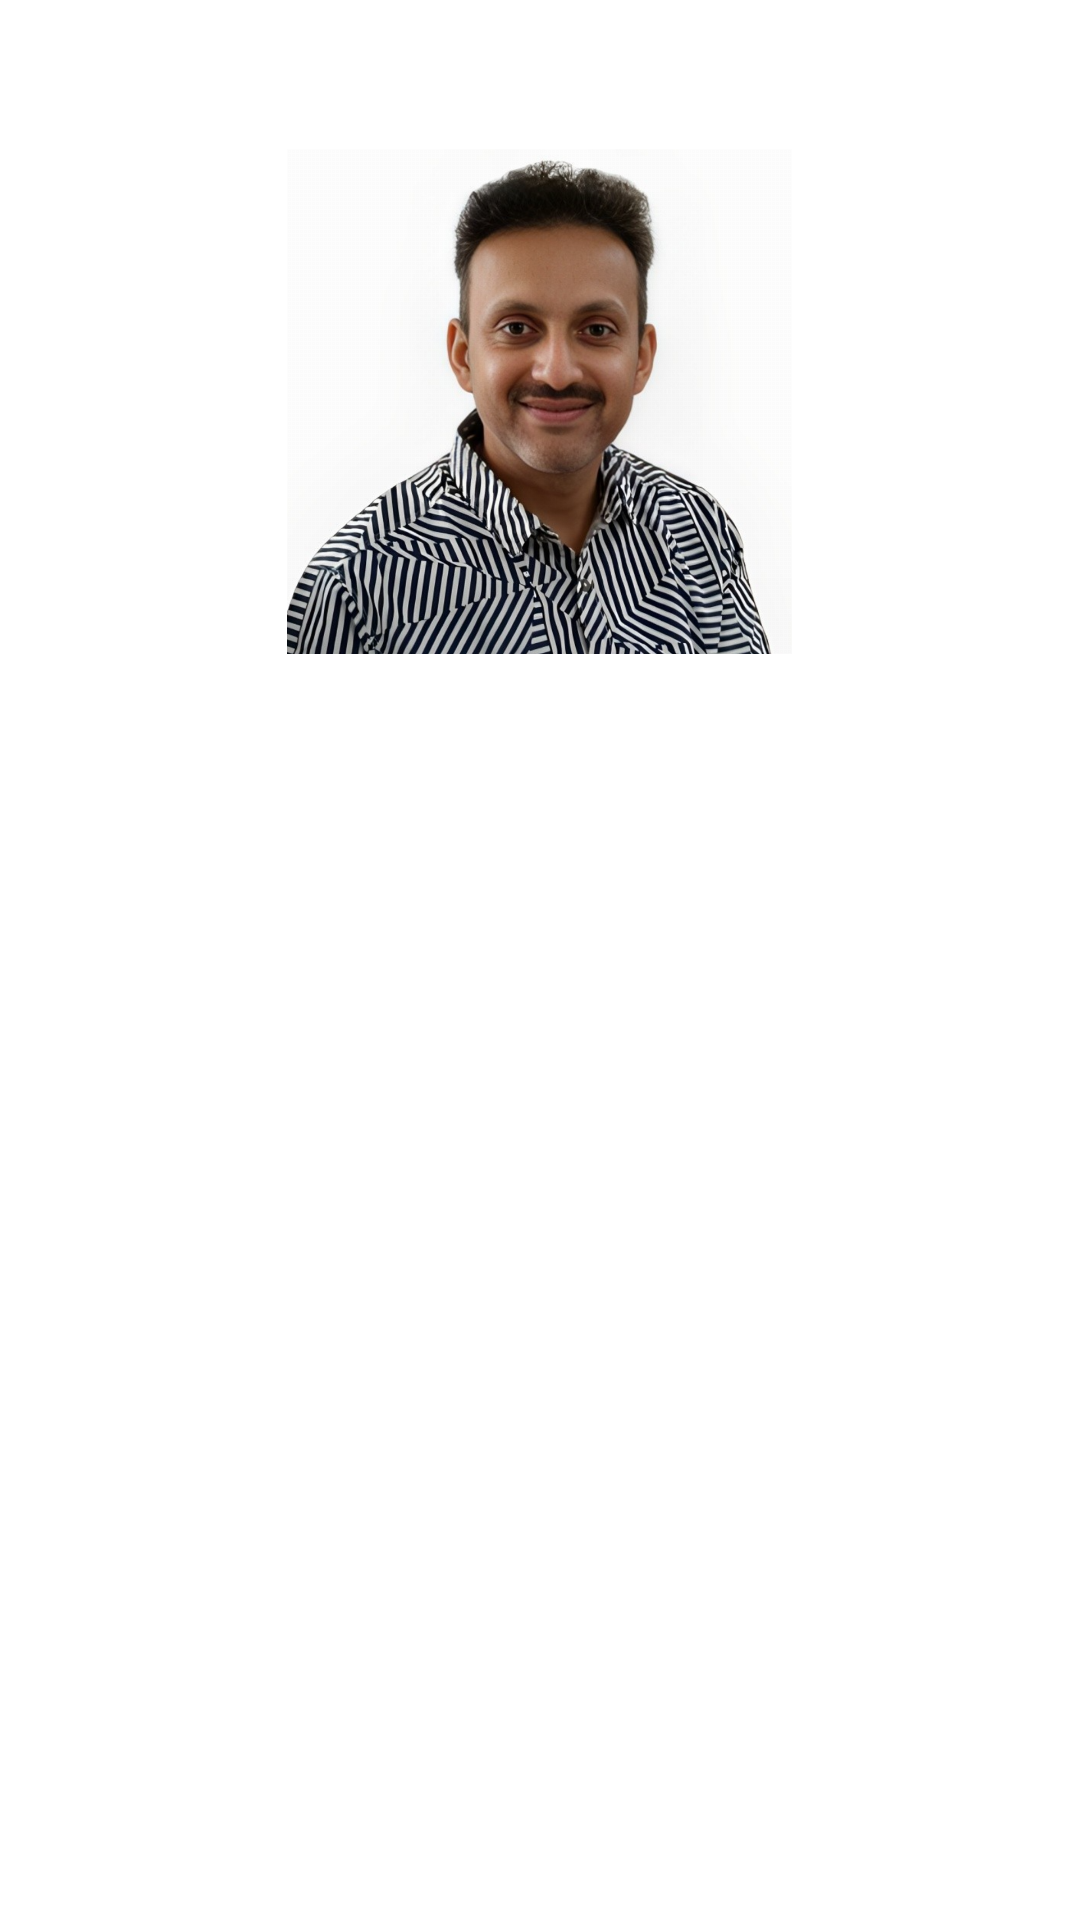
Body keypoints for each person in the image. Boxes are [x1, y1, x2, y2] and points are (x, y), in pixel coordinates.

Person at [287, 161, 770, 655]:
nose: (557, 373)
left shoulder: (700, 532)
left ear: (641, 359)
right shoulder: (355, 589)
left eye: (597, 329)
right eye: (517, 328)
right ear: (463, 356)